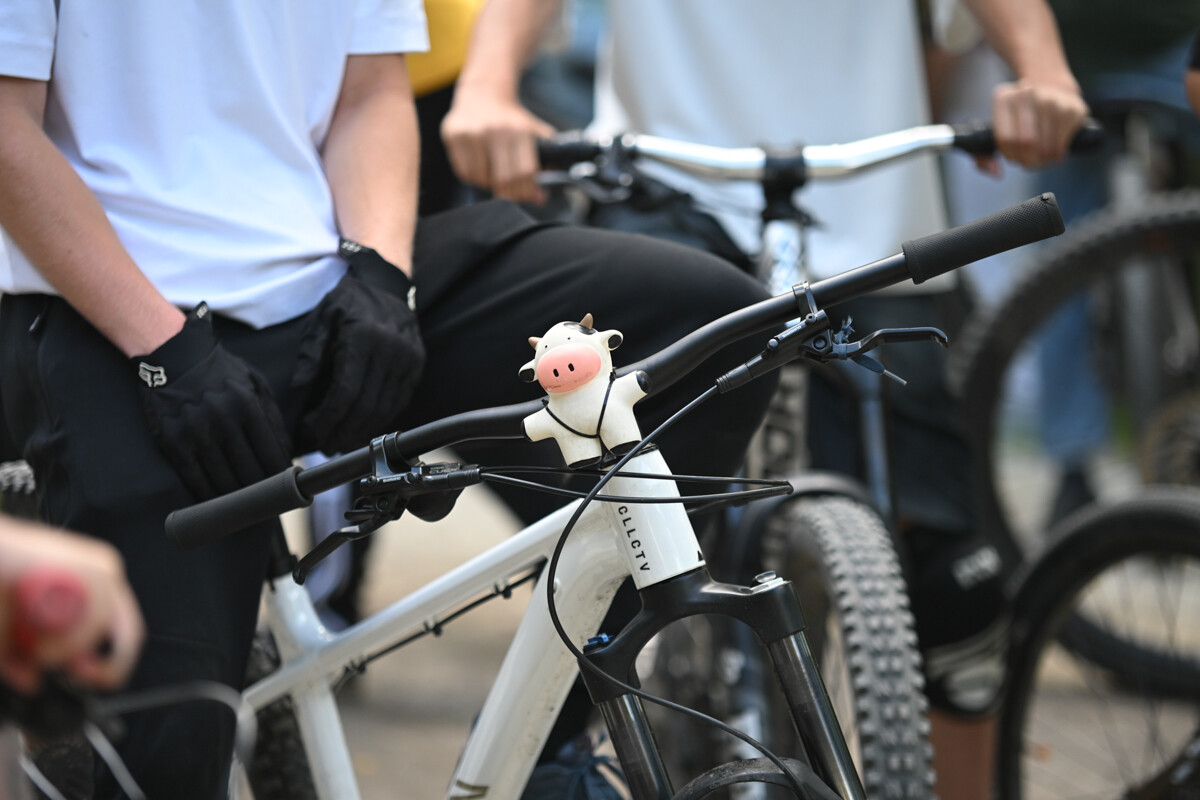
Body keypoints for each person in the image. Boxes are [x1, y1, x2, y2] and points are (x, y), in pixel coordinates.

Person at [0, 2, 774, 797]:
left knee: (714, 331)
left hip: (328, 272)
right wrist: (161, 349)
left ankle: (551, 737)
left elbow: (370, 90)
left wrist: (380, 277)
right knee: (164, 753)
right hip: (116, 310)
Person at [440, 1, 1088, 797]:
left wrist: (1043, 69)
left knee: (959, 588)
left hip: (874, 202)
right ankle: (554, 753)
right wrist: (488, 84)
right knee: (621, 538)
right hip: (664, 191)